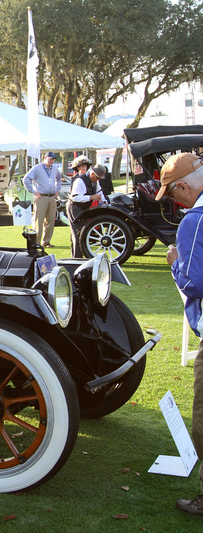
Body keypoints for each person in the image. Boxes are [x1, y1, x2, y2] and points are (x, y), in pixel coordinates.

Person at [155, 152, 203, 518]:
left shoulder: (194, 222)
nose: (175, 202)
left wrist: (174, 263)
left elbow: (195, 282)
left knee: (202, 421)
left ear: (184, 186)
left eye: (173, 194)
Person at [66, 161, 108, 258]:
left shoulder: (95, 181)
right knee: (77, 234)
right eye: (97, 177)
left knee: (82, 234)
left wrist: (104, 202)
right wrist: (91, 197)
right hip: (74, 208)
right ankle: (77, 258)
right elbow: (75, 197)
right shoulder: (80, 181)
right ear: (92, 173)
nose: (98, 180)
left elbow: (100, 192)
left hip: (84, 208)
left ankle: (79, 257)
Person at [24, 151, 63, 247]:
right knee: (39, 220)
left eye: (53, 159)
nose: (52, 161)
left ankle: (46, 241)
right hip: (41, 197)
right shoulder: (37, 168)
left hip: (52, 197)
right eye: (50, 159)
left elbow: (59, 178)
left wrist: (57, 189)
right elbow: (26, 179)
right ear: (45, 158)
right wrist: (33, 191)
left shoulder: (55, 169)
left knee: (50, 220)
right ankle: (36, 242)